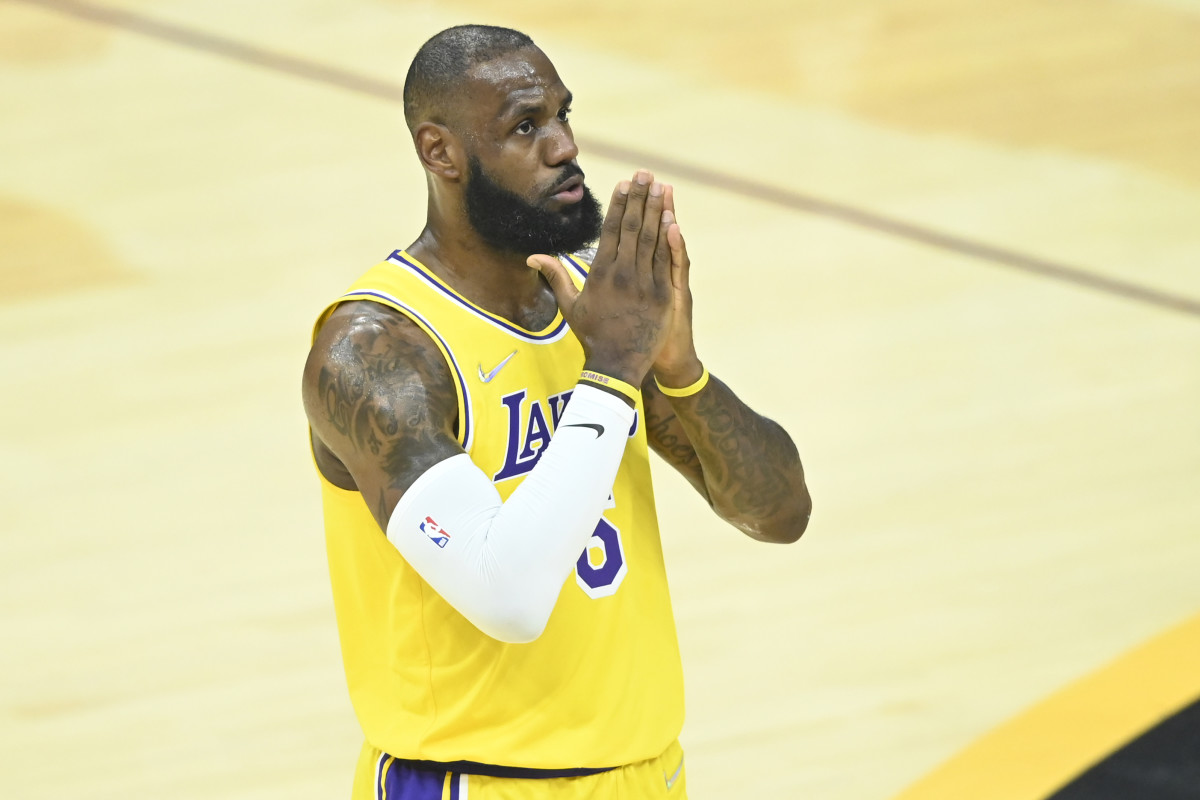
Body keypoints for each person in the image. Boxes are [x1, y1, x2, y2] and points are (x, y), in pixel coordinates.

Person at [301, 24, 812, 800]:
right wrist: (613, 369)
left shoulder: (592, 306)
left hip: (645, 775)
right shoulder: (376, 352)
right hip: (476, 782)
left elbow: (779, 514)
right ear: (441, 152)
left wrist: (680, 371)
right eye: (524, 126)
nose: (565, 146)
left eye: (563, 115)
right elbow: (506, 595)